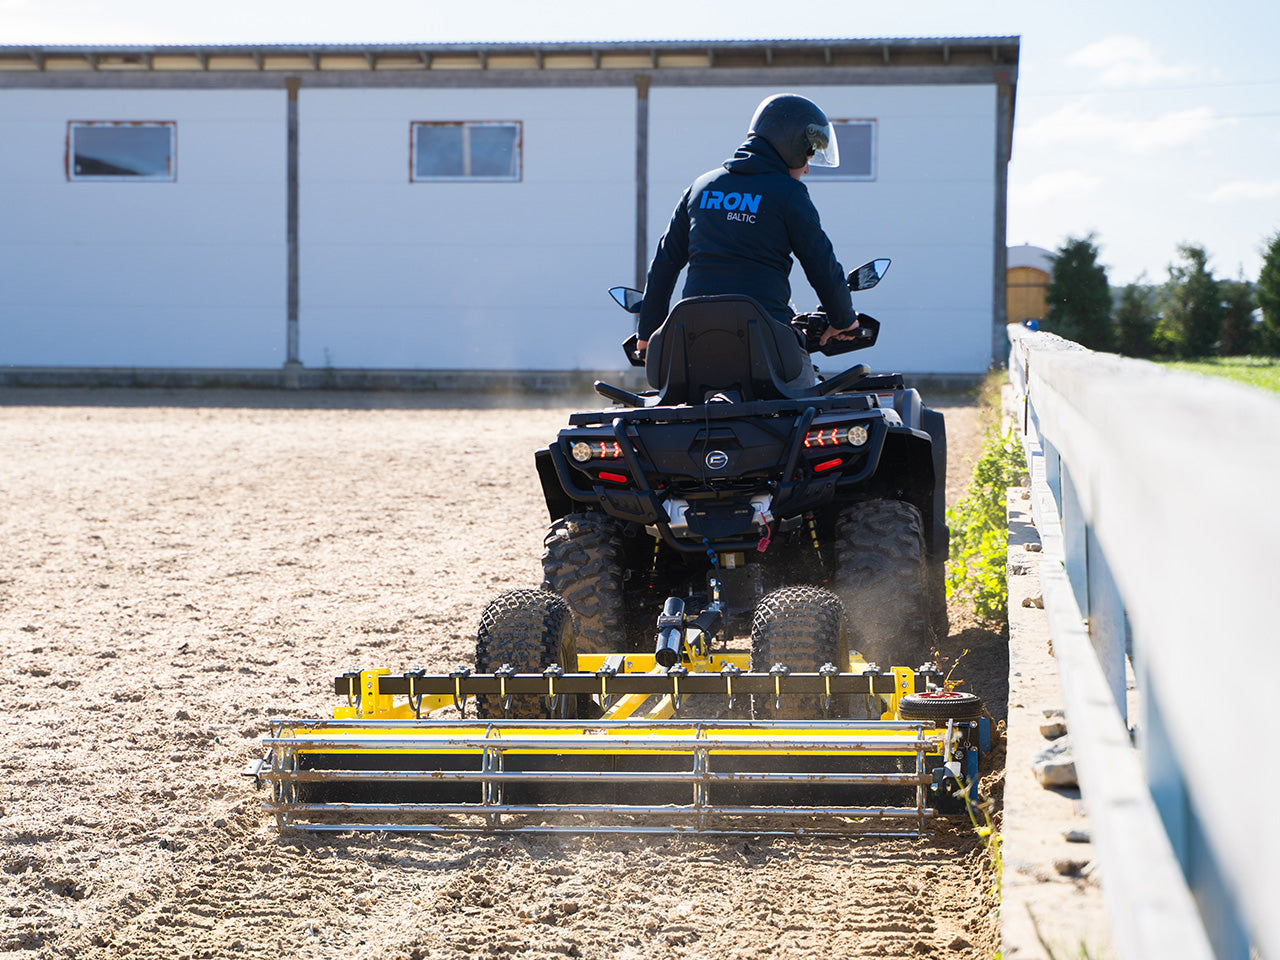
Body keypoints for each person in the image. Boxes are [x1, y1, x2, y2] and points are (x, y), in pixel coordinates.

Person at [635, 93, 862, 385]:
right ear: (791, 144)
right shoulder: (788, 194)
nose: (807, 168)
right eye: (808, 155)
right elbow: (821, 263)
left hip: (691, 347)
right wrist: (844, 320)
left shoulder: (701, 187)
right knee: (810, 407)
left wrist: (647, 334)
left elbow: (664, 264)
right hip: (768, 346)